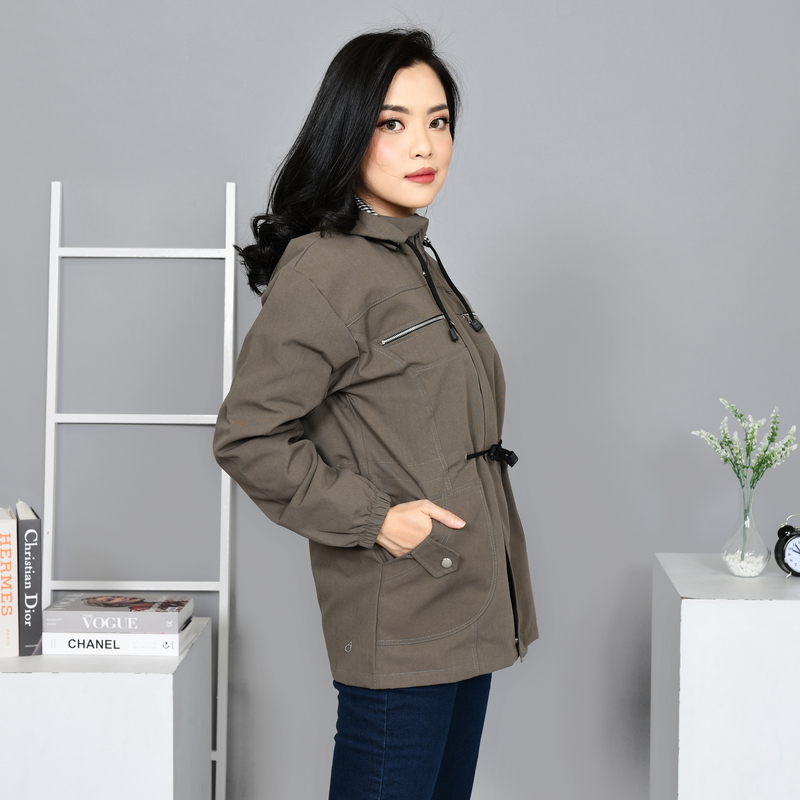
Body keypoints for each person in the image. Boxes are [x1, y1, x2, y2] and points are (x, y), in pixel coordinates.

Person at [213, 28, 537, 800]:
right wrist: (378, 519)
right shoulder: (327, 269)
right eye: (393, 123)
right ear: (349, 130)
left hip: (467, 601)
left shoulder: (413, 256)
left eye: (438, 121)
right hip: (404, 610)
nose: (424, 145)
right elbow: (248, 437)